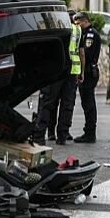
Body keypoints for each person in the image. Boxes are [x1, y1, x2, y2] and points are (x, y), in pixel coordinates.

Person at [35, 10, 84, 145]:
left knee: (47, 103)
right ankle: (62, 136)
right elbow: (81, 53)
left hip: (55, 71)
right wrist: (82, 71)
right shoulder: (78, 30)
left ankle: (40, 136)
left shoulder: (54, 29)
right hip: (72, 71)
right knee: (67, 104)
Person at [73, 11, 101, 143]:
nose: (77, 26)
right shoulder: (85, 33)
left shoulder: (90, 34)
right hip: (87, 71)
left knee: (89, 103)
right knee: (87, 103)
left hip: (88, 72)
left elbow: (87, 54)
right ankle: (89, 131)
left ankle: (90, 133)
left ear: (85, 21)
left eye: (78, 23)